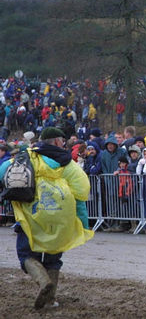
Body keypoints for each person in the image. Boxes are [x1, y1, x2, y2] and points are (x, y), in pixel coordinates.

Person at [0, 127, 92, 309]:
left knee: (26, 254)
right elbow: (81, 193)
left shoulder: (28, 157)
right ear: (57, 142)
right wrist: (83, 222)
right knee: (53, 258)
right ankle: (50, 300)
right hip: (60, 217)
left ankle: (44, 282)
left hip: (31, 216)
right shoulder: (68, 163)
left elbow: (3, 172)